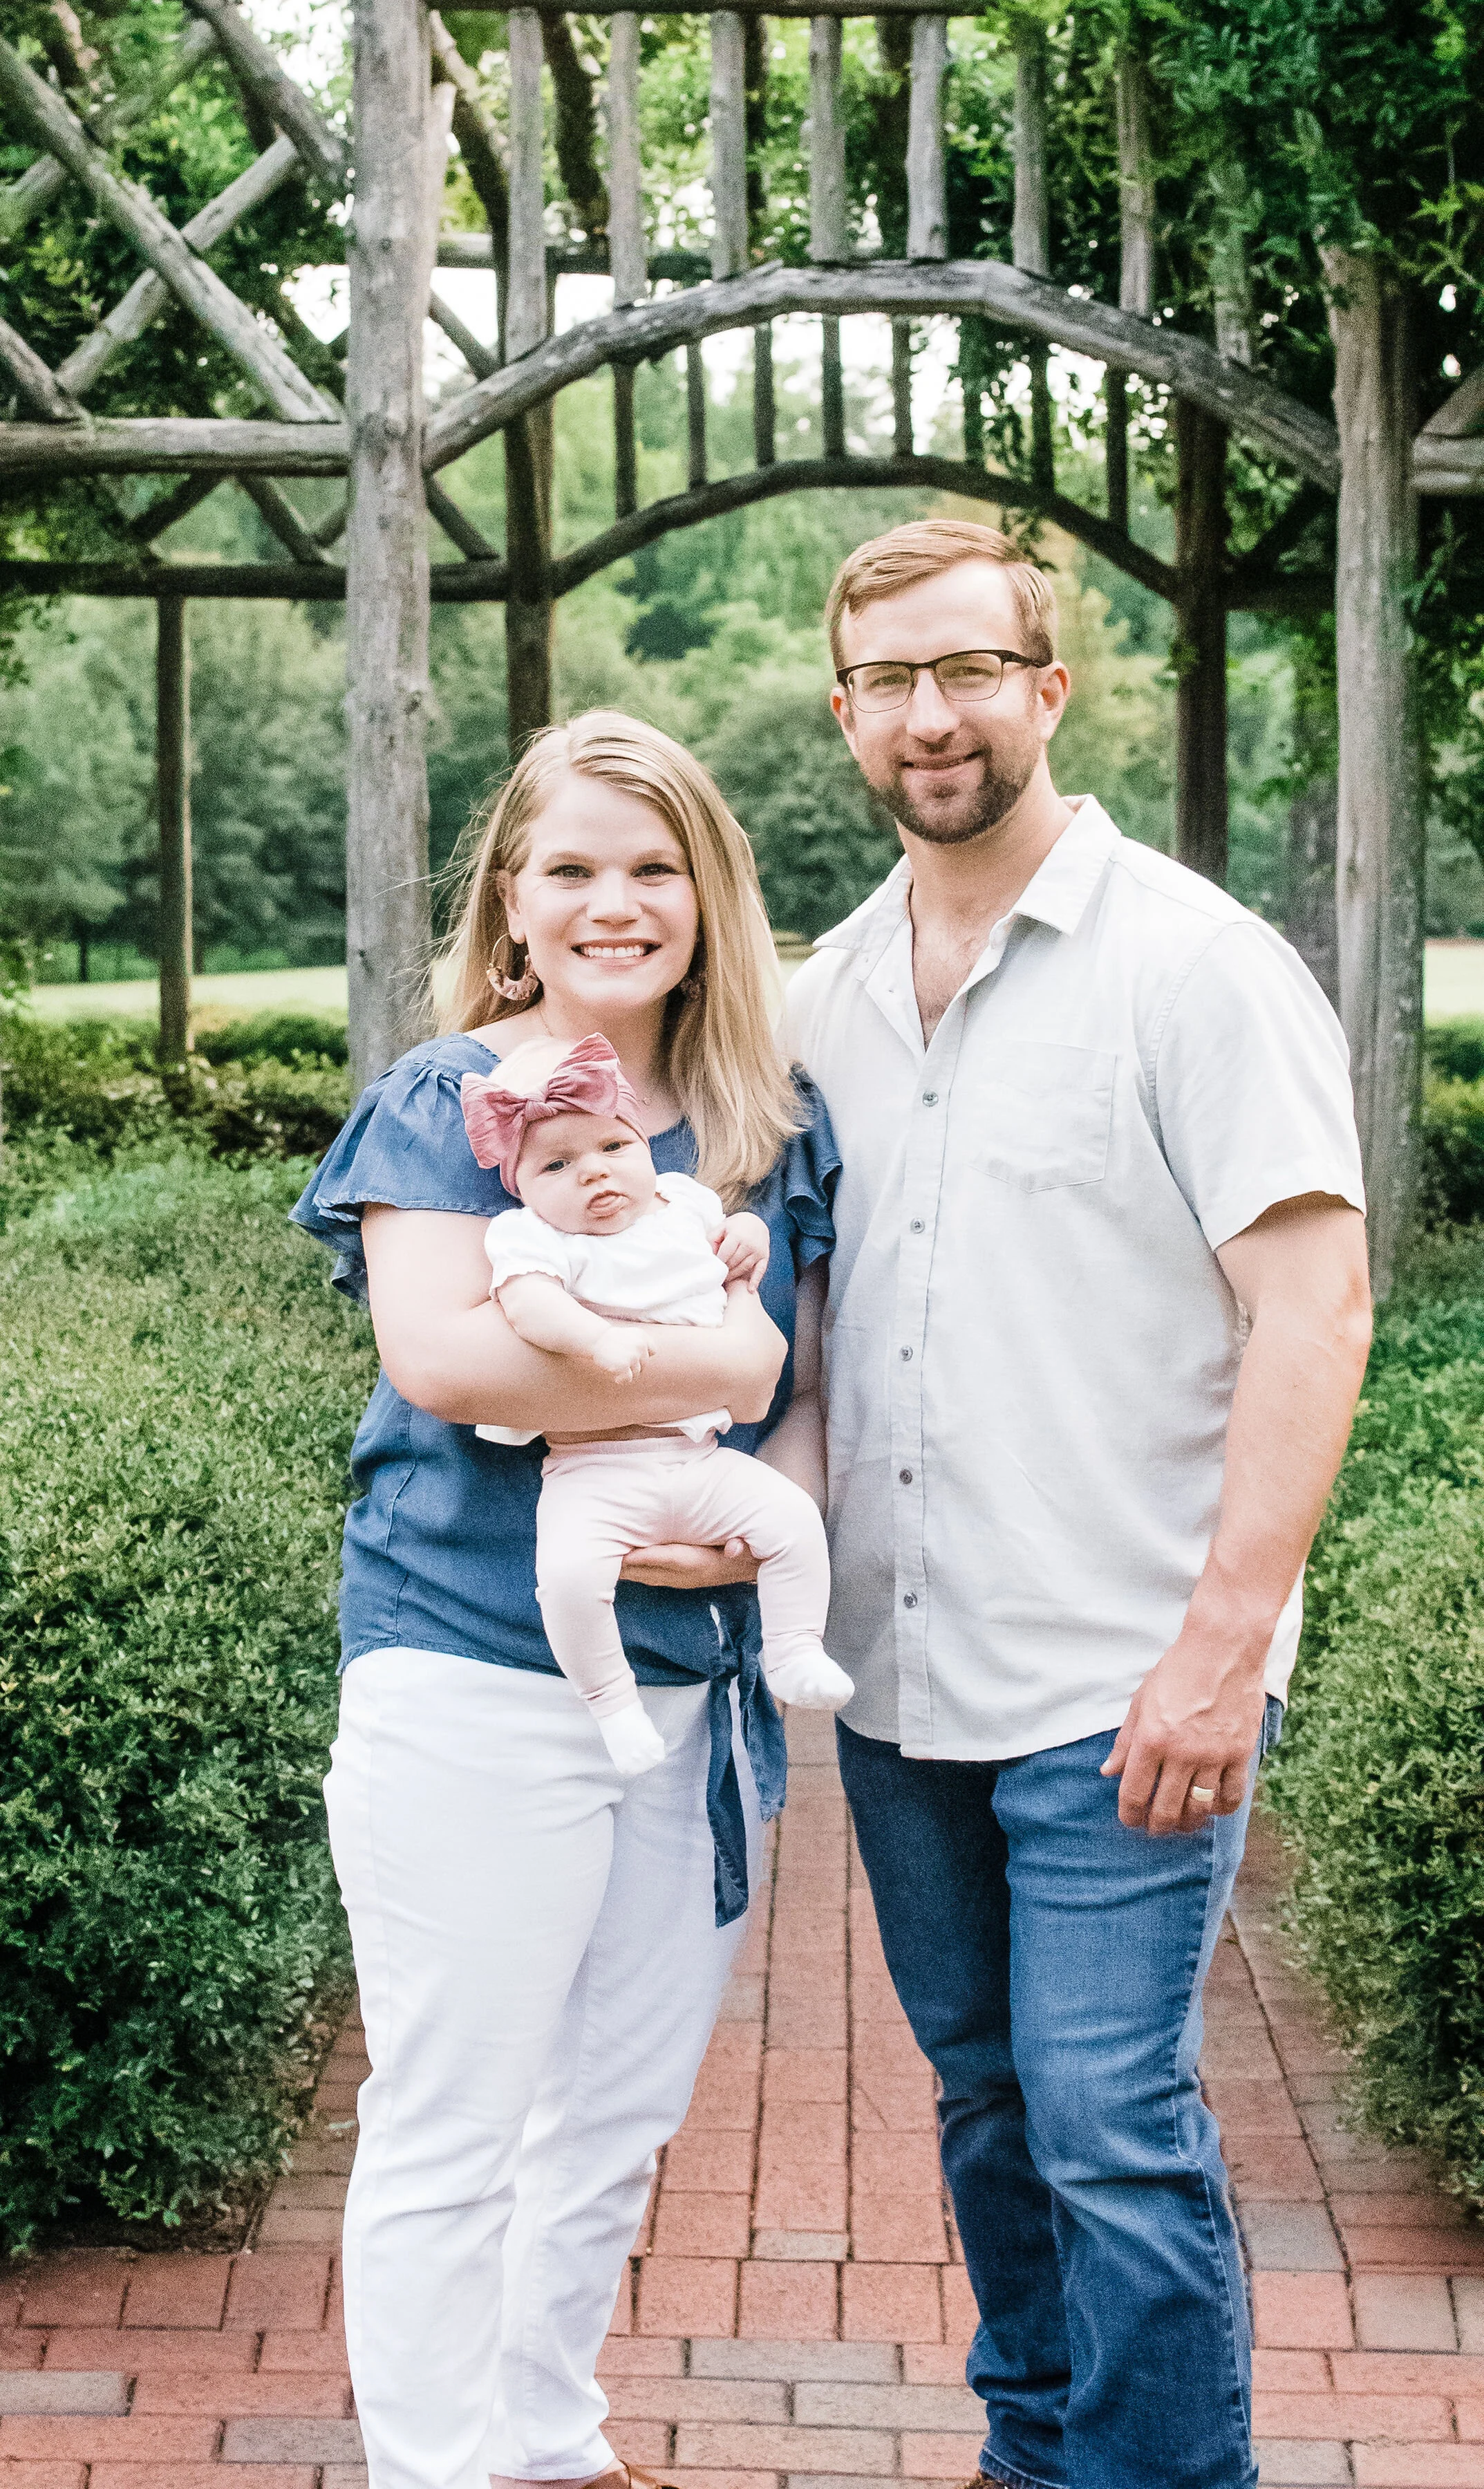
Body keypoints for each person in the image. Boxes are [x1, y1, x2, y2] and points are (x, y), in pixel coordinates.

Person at [782, 520, 1373, 2489]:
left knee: (1111, 2122)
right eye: (888, 682)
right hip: (898, 1680)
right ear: (844, 713)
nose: (928, 715)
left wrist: (1222, 1649)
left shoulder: (1193, 968)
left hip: (1126, 1677)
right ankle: (1035, 2456)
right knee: (983, 2102)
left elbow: (1311, 1302)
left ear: (1047, 688)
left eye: (968, 671)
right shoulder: (826, 998)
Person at [290, 711, 838, 2489]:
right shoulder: (449, 1097)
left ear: (708, 892)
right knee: (453, 2119)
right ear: (512, 905)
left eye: (653, 865)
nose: (617, 902)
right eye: (573, 869)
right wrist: (717, 1350)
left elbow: (804, 1392)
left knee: (612, 2112)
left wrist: (768, 1525)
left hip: (697, 1686)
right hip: (468, 1662)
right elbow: (452, 1360)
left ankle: (545, 2436)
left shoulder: (768, 1121)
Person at [460, 1028, 852, 1775]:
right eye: (556, 1164)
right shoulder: (533, 1239)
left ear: (643, 1145)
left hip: (696, 1456)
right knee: (571, 1580)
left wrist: (743, 1235)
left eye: (613, 1147)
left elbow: (732, 1244)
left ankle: (795, 1648)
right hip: (594, 1469)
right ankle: (611, 1703)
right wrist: (591, 1341)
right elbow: (529, 1306)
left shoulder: (681, 1203)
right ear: (522, 1187)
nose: (594, 1175)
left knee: (793, 1520)